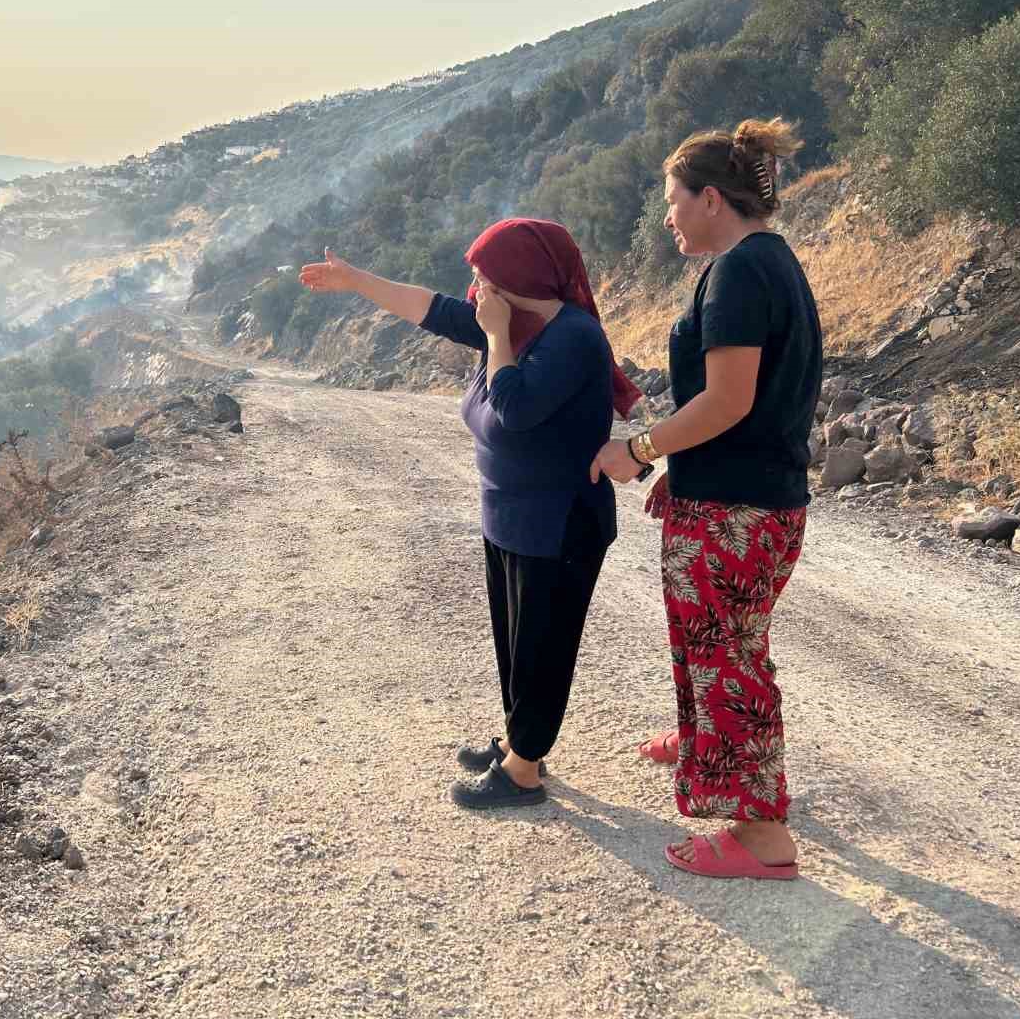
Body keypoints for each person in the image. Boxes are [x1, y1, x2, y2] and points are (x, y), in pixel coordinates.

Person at [300, 219, 641, 810]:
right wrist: (356, 281)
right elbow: (428, 308)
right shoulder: (513, 323)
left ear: (517, 279)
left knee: (542, 646)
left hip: (559, 522)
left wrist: (498, 335)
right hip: (510, 516)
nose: (474, 287)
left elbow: (515, 407)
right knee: (513, 642)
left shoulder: (571, 337)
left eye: (484, 275)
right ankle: (519, 742)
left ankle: (524, 772)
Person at [590, 117, 822, 880]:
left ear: (712, 199)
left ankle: (763, 840)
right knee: (723, 648)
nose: (668, 217)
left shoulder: (738, 273)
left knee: (729, 658)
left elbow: (726, 401)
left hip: (738, 509)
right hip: (745, 497)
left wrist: (640, 450)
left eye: (673, 202)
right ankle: (706, 756)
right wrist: (681, 477)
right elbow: (745, 411)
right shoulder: (767, 261)